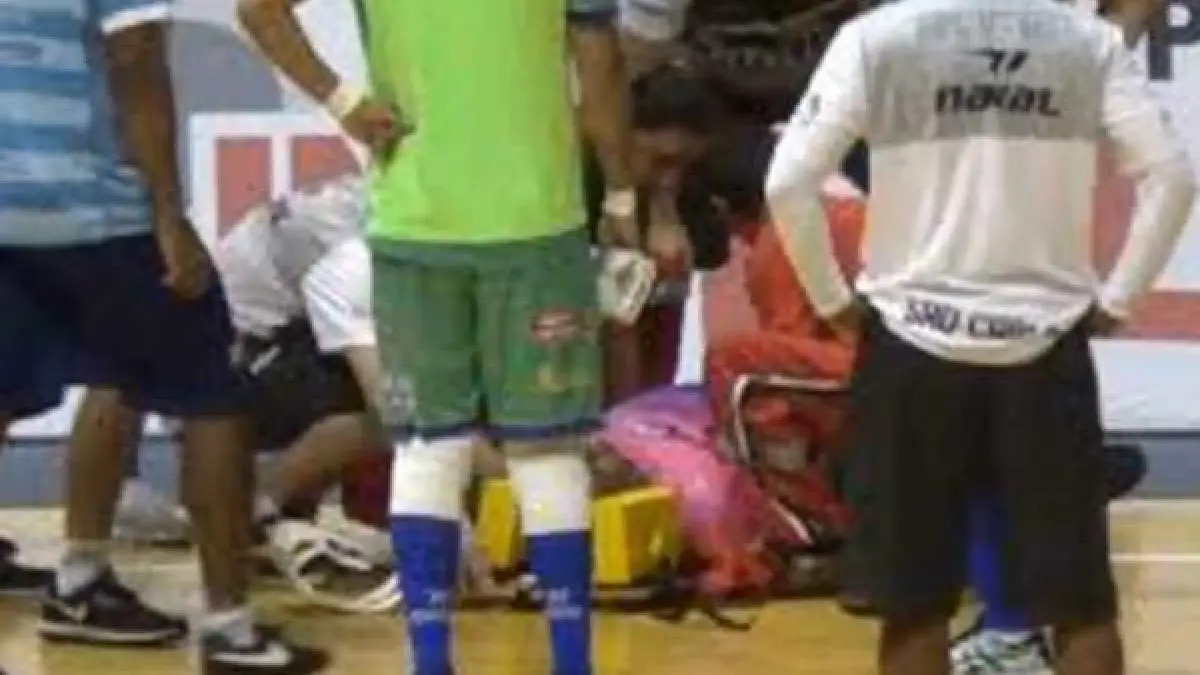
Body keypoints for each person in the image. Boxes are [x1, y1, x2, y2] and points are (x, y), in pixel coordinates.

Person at [765, 1, 1195, 674]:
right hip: (1045, 344)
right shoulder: (1088, 43)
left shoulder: (876, 38)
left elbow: (788, 181)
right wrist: (1118, 300)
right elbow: (1172, 176)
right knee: (1080, 605)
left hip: (910, 343)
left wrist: (834, 302)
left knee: (915, 607)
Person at [238, 1, 635, 674]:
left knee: (428, 445)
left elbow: (258, 10)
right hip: (536, 219)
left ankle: (430, 663)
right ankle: (572, 663)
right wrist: (622, 193)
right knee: (546, 449)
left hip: (416, 222)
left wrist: (343, 102)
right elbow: (600, 59)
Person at [0, 1, 323, 673]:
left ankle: (82, 580)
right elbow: (137, 59)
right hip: (93, 204)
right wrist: (170, 218)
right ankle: (231, 628)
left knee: (107, 376)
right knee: (212, 397)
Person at [83, 174, 396, 603]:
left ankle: (276, 510)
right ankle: (253, 510)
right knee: (392, 398)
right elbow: (396, 410)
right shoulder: (356, 246)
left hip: (232, 363)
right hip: (219, 388)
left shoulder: (375, 200)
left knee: (394, 376)